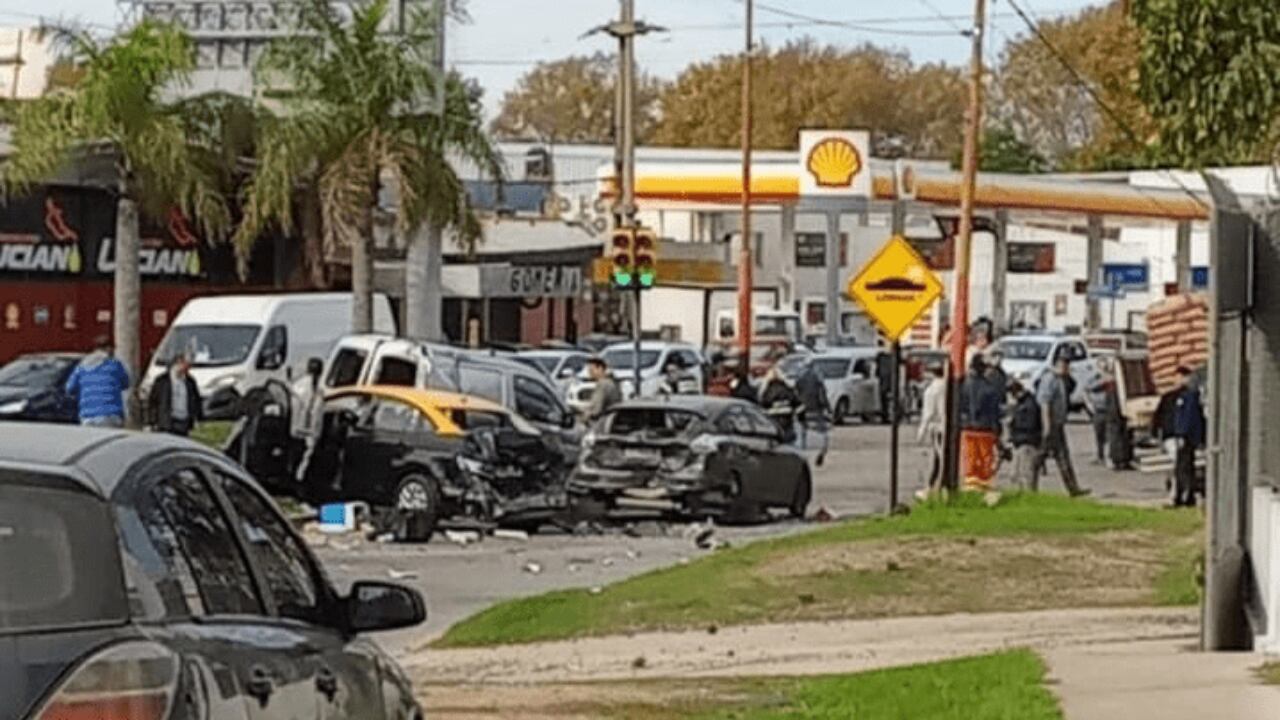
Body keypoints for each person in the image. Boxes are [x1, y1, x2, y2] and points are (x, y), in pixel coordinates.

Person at [1034, 355, 1091, 497]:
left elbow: (1073, 386)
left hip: (1058, 425)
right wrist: (1047, 427)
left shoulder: (1061, 380)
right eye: (1064, 366)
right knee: (1039, 458)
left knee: (1063, 457)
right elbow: (1044, 404)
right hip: (1050, 425)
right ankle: (1029, 486)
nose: (1066, 369)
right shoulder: (1049, 380)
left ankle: (1073, 488)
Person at [65, 334, 131, 427]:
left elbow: (69, 388)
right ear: (108, 348)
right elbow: (126, 384)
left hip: (87, 415)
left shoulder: (82, 366)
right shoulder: (115, 365)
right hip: (111, 414)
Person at [958, 354, 1002, 491]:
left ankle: (970, 487)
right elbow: (994, 412)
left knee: (970, 459)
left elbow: (960, 406)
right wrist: (997, 432)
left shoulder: (963, 385)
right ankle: (984, 487)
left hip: (968, 429)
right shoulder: (990, 388)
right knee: (985, 460)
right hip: (985, 430)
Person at [1172, 366, 1205, 508]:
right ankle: (1182, 494)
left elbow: (1187, 418)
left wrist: (1182, 434)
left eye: (1178, 377)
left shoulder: (1189, 395)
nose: (1176, 380)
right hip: (1186, 436)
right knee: (1183, 466)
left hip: (1186, 437)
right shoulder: (1185, 394)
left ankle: (1185, 495)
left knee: (1183, 467)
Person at [149, 355, 202, 436]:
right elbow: (153, 401)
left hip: (184, 421)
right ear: (175, 365)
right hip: (167, 422)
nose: (185, 369)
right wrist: (152, 421)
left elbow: (195, 400)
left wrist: (196, 417)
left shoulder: (190, 381)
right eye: (183, 365)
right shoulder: (162, 381)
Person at [916, 364, 947, 491]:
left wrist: (921, 433)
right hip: (946, 426)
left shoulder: (931, 390)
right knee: (941, 458)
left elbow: (928, 414)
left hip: (936, 427)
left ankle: (932, 486)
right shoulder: (948, 386)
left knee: (938, 459)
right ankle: (938, 485)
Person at [1007, 380, 1043, 490]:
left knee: (1027, 475)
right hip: (1021, 442)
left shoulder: (1028, 405)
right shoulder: (1024, 403)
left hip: (1027, 443)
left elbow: (1030, 425)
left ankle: (1029, 498)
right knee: (1016, 475)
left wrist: (1013, 423)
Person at [794, 359, 830, 461]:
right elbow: (822, 393)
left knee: (802, 429)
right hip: (816, 406)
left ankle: (802, 449)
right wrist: (827, 407)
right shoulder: (818, 377)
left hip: (803, 407)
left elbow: (796, 392)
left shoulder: (799, 377)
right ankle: (823, 448)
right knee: (821, 429)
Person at [759, 366, 801, 442]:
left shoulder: (767, 391)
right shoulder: (787, 388)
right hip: (787, 418)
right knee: (789, 439)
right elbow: (797, 403)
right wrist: (801, 417)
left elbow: (763, 404)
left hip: (773, 420)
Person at [1086, 358, 1113, 465]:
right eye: (1101, 366)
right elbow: (1088, 387)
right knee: (1099, 435)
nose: (1103, 368)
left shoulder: (1111, 378)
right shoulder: (1096, 378)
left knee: (1109, 435)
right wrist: (1089, 404)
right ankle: (1100, 455)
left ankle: (1108, 456)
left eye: (1105, 366)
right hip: (1097, 410)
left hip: (1108, 410)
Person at [584, 356, 622, 421]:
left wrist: (587, 415)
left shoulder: (602, 384)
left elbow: (597, 409)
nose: (590, 373)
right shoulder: (612, 381)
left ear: (600, 368)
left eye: (592, 370)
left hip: (603, 421)